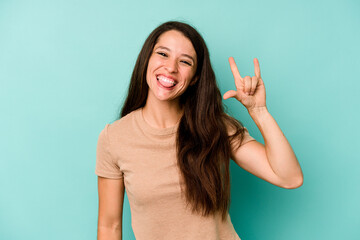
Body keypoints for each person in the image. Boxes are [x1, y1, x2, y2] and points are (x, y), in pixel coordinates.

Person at [95, 21, 303, 240]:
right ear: (146, 59)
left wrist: (259, 111)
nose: (171, 67)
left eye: (185, 61)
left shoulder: (214, 126)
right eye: (163, 54)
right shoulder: (114, 138)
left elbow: (289, 177)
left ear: (195, 78)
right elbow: (110, 227)